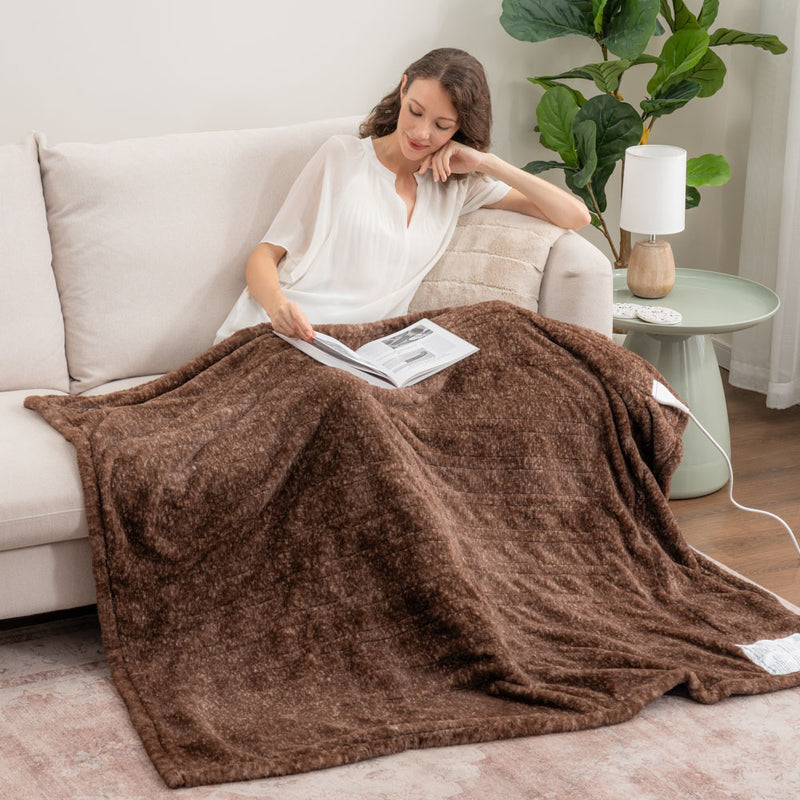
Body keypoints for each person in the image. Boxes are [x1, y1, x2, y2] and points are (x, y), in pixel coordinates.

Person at [214, 48, 590, 345]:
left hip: (357, 354)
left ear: (460, 128)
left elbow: (575, 216)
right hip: (282, 335)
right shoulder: (342, 158)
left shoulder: (457, 186)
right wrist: (278, 308)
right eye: (415, 111)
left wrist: (489, 163)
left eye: (442, 125)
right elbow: (265, 255)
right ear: (403, 87)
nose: (421, 133)